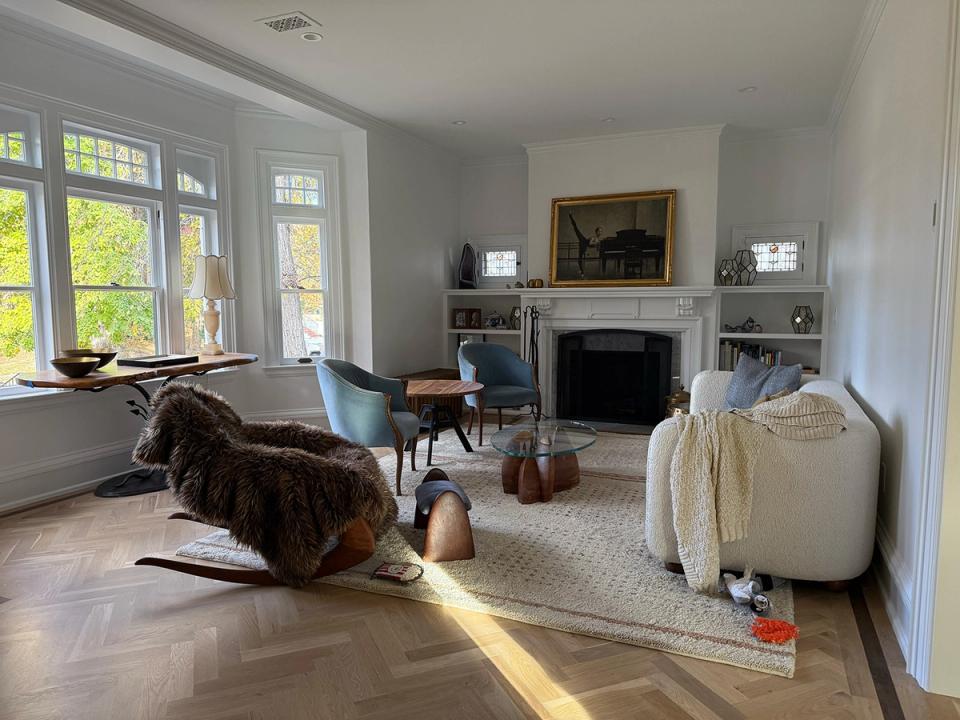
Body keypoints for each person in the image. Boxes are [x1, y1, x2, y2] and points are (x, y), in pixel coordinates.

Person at [568, 213, 603, 278]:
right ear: (596, 232)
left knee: (580, 258)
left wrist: (598, 245)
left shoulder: (598, 240)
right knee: (576, 228)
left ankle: (581, 271)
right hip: (583, 241)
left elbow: (597, 249)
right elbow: (590, 243)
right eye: (599, 231)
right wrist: (596, 244)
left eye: (601, 231)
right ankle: (570, 216)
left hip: (584, 244)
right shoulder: (594, 238)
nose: (600, 233)